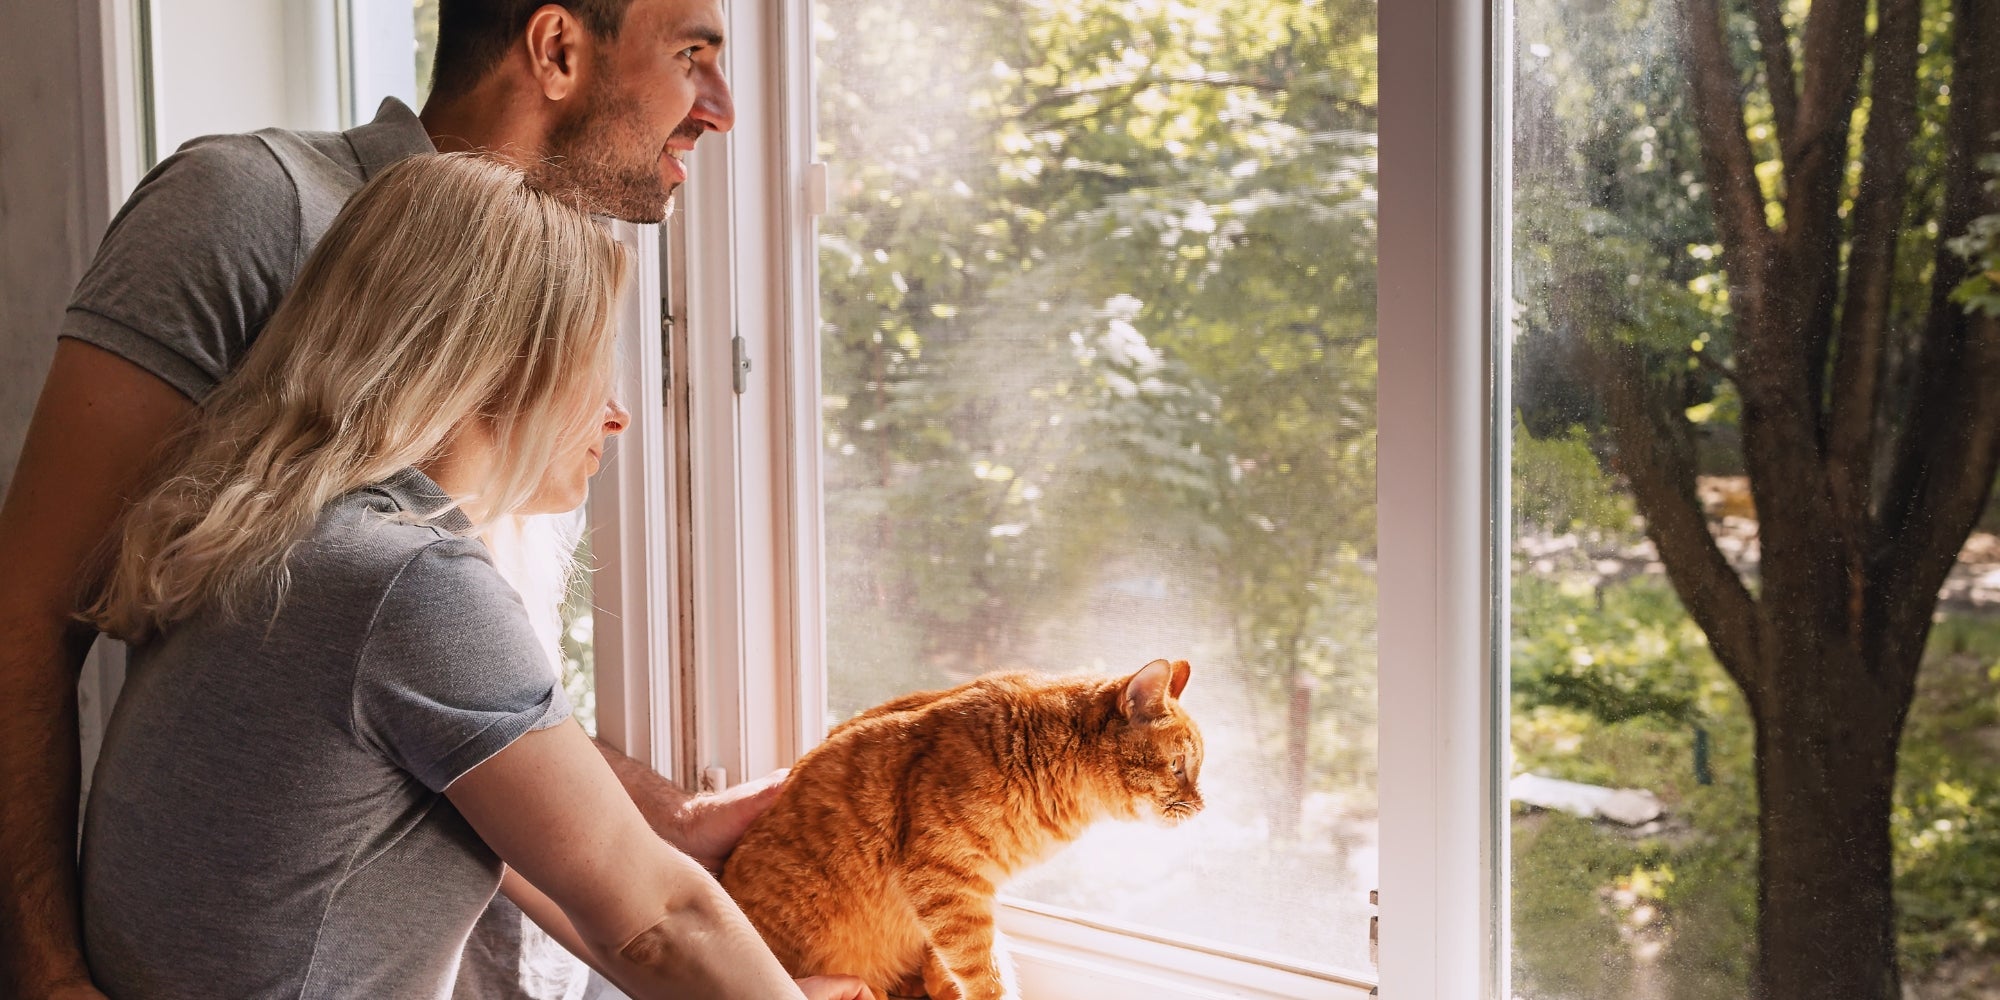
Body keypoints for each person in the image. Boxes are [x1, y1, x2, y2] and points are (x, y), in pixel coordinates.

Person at [0, 2, 802, 998]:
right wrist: (42, 971)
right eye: (692, 56)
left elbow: (435, 737)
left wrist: (660, 820)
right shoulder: (253, 214)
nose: (719, 109)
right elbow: (25, 609)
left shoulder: (288, 529)